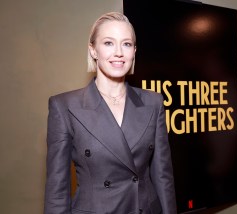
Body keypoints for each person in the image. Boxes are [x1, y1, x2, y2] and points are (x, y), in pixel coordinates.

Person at [44, 12, 177, 214]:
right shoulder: (64, 106)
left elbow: (163, 177)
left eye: (126, 44)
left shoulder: (154, 102)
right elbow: (57, 192)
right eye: (108, 43)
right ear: (93, 50)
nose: (118, 53)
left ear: (134, 51)